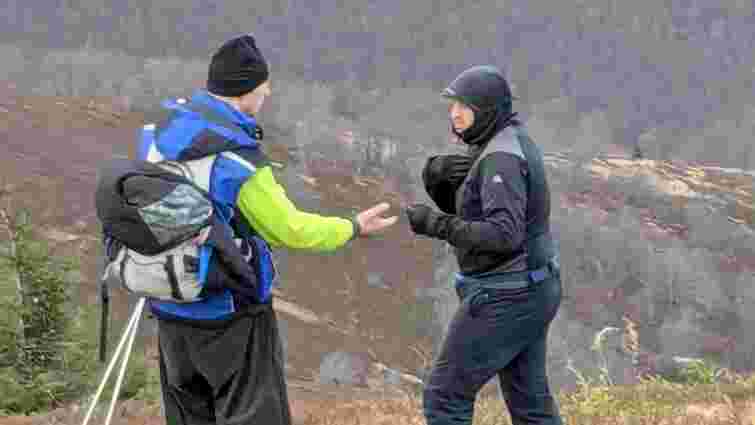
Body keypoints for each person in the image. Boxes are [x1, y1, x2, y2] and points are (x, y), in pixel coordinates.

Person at [136, 33, 398, 425]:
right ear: (246, 91)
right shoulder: (236, 159)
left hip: (168, 307)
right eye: (264, 86)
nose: (269, 92)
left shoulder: (157, 137)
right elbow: (289, 229)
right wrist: (353, 227)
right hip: (230, 315)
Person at [406, 65, 563, 425]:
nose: (455, 113)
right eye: (454, 104)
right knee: (530, 404)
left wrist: (434, 223)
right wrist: (448, 183)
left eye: (466, 106)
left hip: (507, 294)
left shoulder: (500, 158)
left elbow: (503, 234)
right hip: (533, 287)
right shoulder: (506, 141)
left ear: (488, 111)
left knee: (445, 396)